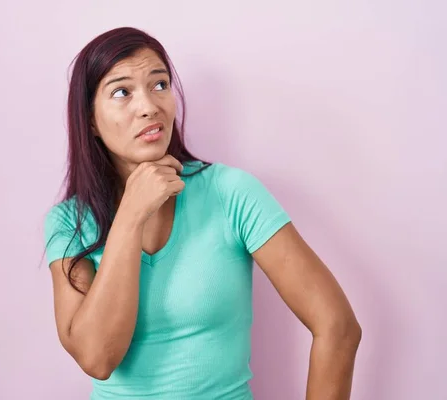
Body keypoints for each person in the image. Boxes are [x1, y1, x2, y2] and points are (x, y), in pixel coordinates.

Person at [43, 26, 361, 400]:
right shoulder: (69, 223)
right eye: (121, 92)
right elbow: (97, 358)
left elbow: (337, 326)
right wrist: (131, 215)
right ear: (91, 120)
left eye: (160, 84)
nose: (149, 106)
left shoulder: (231, 193)